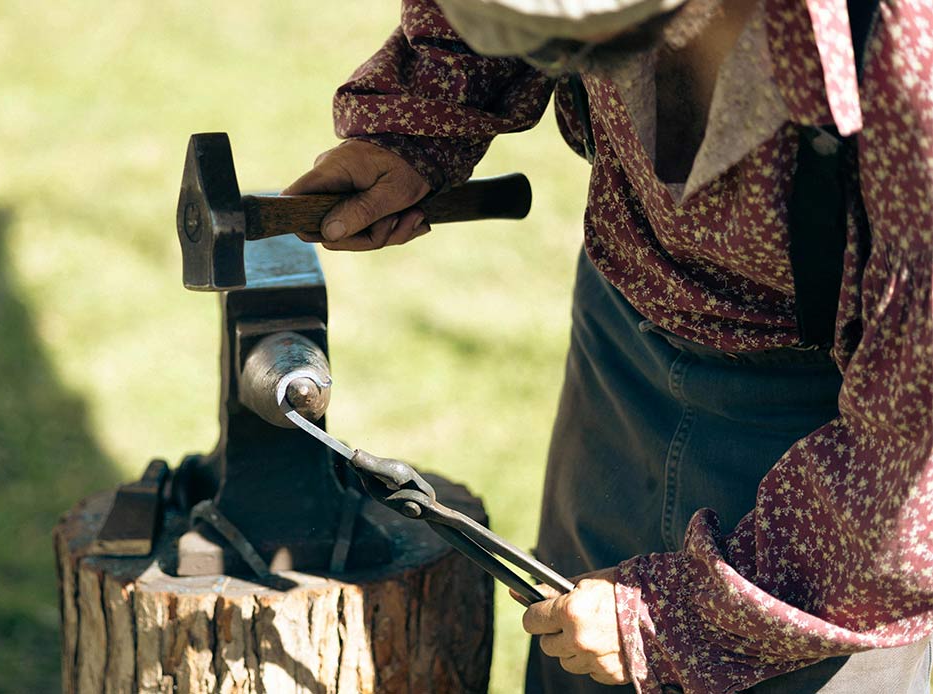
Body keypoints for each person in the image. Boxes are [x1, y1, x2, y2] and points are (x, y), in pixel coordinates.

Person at [285, 0, 933, 691]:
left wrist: (679, 620)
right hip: (622, 342)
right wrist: (413, 129)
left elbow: (914, 473)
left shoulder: (910, 58)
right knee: (577, 652)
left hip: (846, 450)